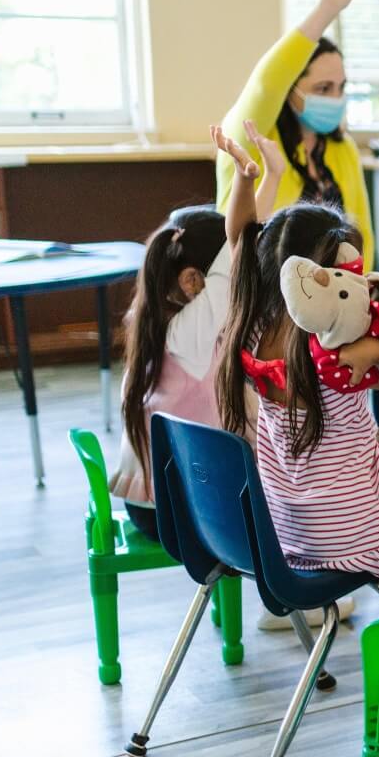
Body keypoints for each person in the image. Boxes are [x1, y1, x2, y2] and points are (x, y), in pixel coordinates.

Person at [213, 122, 379, 618]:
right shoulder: (336, 346)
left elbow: (241, 236)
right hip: (349, 530)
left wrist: (249, 179)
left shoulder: (251, 323)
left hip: (286, 530)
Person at [111, 128, 283, 538]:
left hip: (155, 503)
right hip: (174, 511)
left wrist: (271, 176)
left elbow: (241, 243)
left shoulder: (156, 315)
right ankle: (294, 601)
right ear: (192, 281)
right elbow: (242, 242)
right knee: (291, 504)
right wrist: (248, 179)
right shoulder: (190, 330)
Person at [216, 0, 374, 269]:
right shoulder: (251, 138)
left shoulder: (342, 151)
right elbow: (266, 83)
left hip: (335, 301)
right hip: (265, 300)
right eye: (322, 88)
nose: (335, 98)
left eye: (341, 88)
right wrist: (327, 10)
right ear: (289, 90)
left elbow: (363, 239)